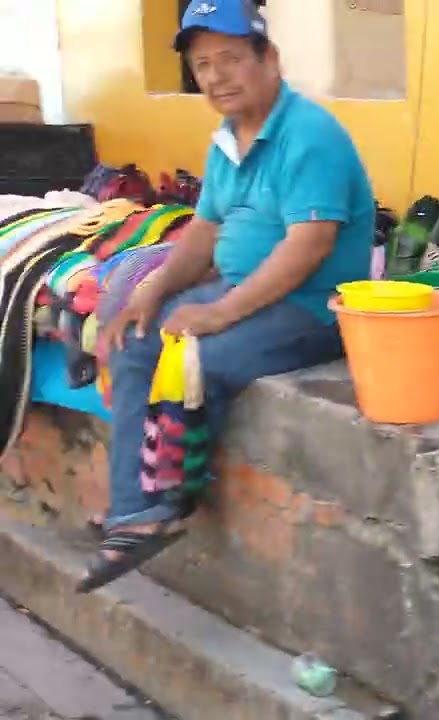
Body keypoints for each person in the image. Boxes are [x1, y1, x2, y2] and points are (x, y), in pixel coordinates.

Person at [78, 0, 375, 593]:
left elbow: (309, 247)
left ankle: (166, 501)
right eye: (204, 65)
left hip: (312, 307)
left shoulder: (309, 134)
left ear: (270, 60)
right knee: (138, 337)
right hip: (248, 290)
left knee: (195, 356)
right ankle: (135, 512)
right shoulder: (227, 142)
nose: (216, 77)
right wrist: (152, 290)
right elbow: (205, 233)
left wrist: (217, 313)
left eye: (232, 60)